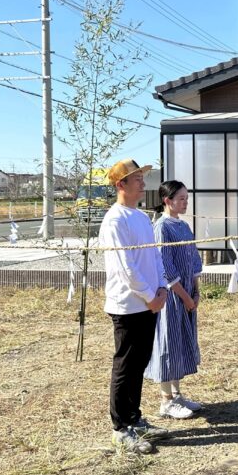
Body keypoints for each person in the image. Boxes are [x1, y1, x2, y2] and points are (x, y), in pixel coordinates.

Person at [98, 158, 170, 455]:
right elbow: (126, 268)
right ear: (121, 185)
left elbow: (154, 257)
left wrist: (162, 285)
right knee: (125, 366)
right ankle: (120, 428)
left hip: (149, 302)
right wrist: (148, 295)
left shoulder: (140, 217)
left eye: (142, 177)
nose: (142, 182)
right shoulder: (115, 220)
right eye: (136, 178)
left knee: (139, 363)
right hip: (128, 305)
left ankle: (135, 418)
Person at [144, 180, 204, 419]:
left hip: (188, 294)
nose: (185, 202)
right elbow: (166, 268)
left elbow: (194, 259)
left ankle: (177, 395)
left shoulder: (185, 226)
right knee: (168, 344)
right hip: (172, 297)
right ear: (167, 201)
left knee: (180, 344)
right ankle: (166, 399)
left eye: (186, 198)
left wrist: (196, 292)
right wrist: (185, 296)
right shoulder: (161, 227)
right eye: (181, 198)